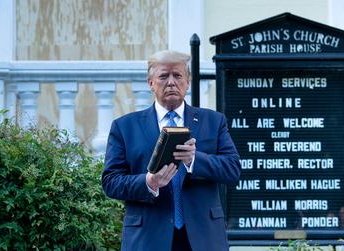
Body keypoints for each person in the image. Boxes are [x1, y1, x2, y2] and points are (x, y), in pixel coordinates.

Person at [102, 50, 241, 251]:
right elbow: (110, 182)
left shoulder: (213, 121)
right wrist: (148, 182)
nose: (171, 82)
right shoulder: (125, 127)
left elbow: (233, 169)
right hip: (148, 238)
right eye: (163, 76)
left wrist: (194, 159)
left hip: (203, 238)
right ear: (151, 83)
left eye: (177, 75)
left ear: (188, 82)